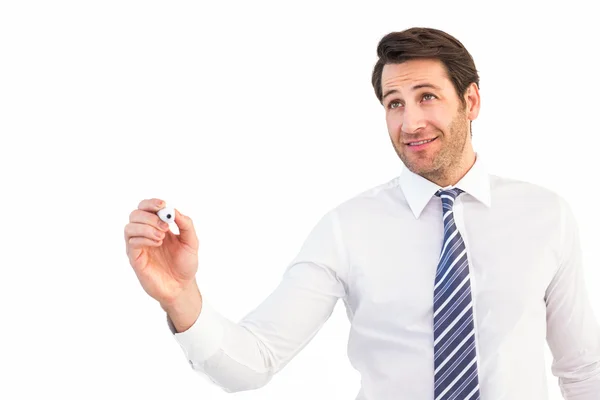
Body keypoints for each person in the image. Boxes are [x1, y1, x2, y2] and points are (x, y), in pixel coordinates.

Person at [123, 27, 600, 399]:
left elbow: (581, 370)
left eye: (427, 96)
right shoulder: (346, 230)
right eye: (395, 103)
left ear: (470, 101)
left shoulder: (546, 216)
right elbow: (255, 361)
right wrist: (179, 296)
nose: (410, 122)